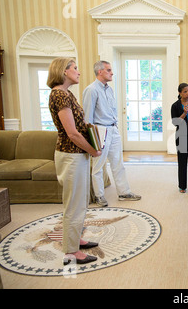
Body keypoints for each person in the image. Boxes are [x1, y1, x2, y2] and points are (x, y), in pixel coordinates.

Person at [47, 57, 102, 265]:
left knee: (79, 201)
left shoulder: (67, 94)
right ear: (64, 71)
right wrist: (93, 151)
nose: (79, 72)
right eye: (75, 68)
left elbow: (79, 125)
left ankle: (75, 239)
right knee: (73, 204)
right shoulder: (60, 94)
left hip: (76, 154)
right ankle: (71, 251)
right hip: (70, 155)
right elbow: (72, 133)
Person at [82, 61, 141, 207]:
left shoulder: (110, 90)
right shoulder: (91, 90)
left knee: (118, 163)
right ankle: (99, 196)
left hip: (113, 129)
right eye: (108, 70)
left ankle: (123, 192)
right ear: (100, 72)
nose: (112, 73)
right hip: (100, 130)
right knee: (98, 166)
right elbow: (87, 118)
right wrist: (91, 139)